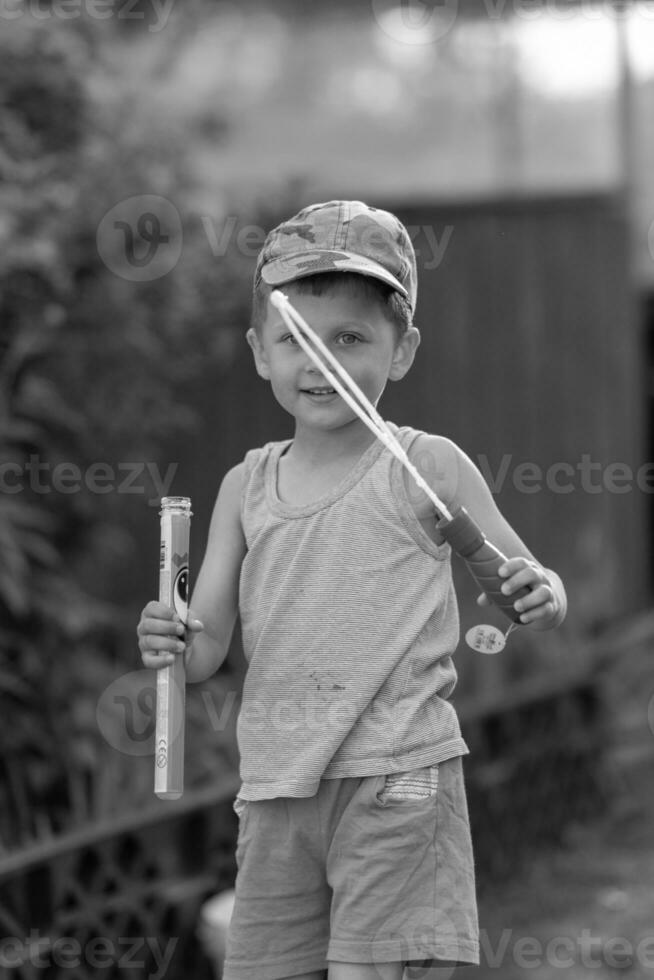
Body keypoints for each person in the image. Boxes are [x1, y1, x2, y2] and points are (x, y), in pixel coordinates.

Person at [137, 200, 567, 980]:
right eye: (295, 339)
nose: (319, 362)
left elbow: (519, 582)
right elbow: (201, 653)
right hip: (276, 789)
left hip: (398, 775)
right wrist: (169, 638)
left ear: (402, 352)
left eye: (350, 338)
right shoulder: (245, 486)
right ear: (259, 353)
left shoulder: (430, 467)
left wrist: (542, 592)